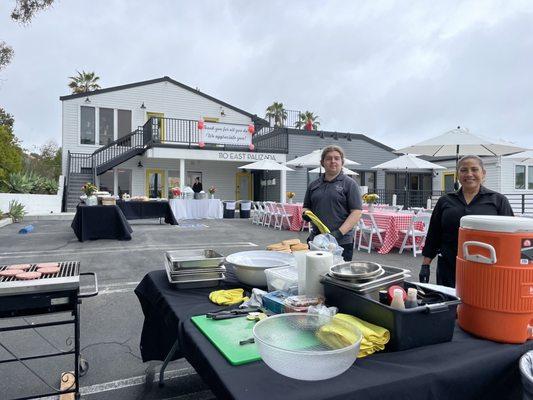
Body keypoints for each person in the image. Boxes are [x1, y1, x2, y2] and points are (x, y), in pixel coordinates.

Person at [419, 155, 514, 287]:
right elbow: (434, 234)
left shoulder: (498, 201)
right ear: (458, 175)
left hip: (486, 266)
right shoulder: (445, 201)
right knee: (449, 304)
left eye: (474, 169)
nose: (469, 174)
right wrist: (425, 264)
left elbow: (510, 238)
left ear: (483, 173)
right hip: (449, 267)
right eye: (464, 170)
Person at [302, 145, 363, 261]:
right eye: (329, 158)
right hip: (316, 240)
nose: (333, 161)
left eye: (337, 158)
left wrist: (338, 233)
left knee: (339, 275)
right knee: (316, 274)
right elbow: (306, 207)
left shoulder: (349, 184)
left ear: (342, 162)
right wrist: (306, 214)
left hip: (341, 241)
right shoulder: (313, 185)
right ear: (322, 162)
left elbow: (356, 212)